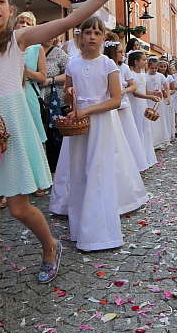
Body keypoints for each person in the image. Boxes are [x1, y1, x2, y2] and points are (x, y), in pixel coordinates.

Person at [0, 0, 141, 327]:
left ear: (9, 11)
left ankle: (50, 246)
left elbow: (69, 22)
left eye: (0, 2)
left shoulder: (18, 40)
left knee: (21, 208)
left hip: (13, 131)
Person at [61, 17, 149, 251]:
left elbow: (115, 100)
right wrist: (70, 93)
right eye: (88, 32)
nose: (92, 37)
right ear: (80, 37)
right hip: (79, 123)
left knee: (99, 172)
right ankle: (80, 228)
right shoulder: (73, 64)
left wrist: (88, 110)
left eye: (97, 33)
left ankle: (100, 233)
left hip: (100, 122)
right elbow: (66, 97)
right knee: (79, 171)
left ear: (103, 38)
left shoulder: (108, 65)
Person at [103, 40, 152, 171]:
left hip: (123, 104)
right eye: (120, 52)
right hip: (108, 105)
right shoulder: (104, 65)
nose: (123, 54)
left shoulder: (123, 68)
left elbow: (133, 86)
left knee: (127, 133)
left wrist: (122, 91)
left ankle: (133, 163)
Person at [14, 11, 48, 147]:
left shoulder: (37, 48)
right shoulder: (7, 46)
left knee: (34, 135)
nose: (24, 25)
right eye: (21, 22)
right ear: (14, 26)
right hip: (12, 91)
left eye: (28, 23)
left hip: (29, 92)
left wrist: (26, 72)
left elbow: (43, 76)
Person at [41, 35, 69, 172]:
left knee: (56, 138)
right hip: (37, 100)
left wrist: (51, 80)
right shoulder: (32, 50)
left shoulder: (59, 53)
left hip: (57, 102)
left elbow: (69, 74)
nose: (50, 37)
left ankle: (56, 170)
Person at [127, 51, 159, 163]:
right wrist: (149, 97)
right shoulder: (131, 75)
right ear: (136, 62)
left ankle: (147, 156)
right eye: (144, 60)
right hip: (135, 105)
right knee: (138, 128)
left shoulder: (143, 75)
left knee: (146, 129)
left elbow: (144, 89)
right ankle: (139, 158)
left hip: (143, 105)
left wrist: (154, 93)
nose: (146, 62)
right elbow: (135, 92)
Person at [145, 57, 171, 149]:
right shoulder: (145, 76)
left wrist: (168, 97)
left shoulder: (160, 76)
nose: (154, 70)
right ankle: (152, 142)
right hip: (149, 100)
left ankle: (161, 141)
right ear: (148, 67)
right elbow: (144, 89)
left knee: (160, 120)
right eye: (152, 68)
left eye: (156, 68)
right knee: (150, 120)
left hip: (159, 101)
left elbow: (167, 87)